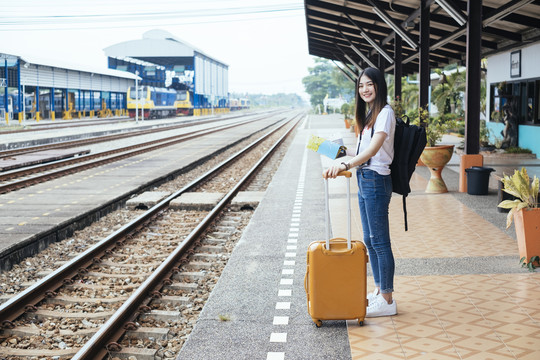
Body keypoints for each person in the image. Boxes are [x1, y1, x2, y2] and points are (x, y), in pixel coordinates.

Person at [323, 67, 397, 317]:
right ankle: (379, 291)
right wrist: (333, 150)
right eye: (361, 85)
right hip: (365, 178)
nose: (365, 89)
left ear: (378, 86)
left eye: (369, 84)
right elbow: (360, 152)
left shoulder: (385, 113)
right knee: (370, 240)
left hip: (376, 180)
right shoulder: (369, 117)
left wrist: (345, 165)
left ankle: (387, 299)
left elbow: (373, 151)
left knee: (380, 241)